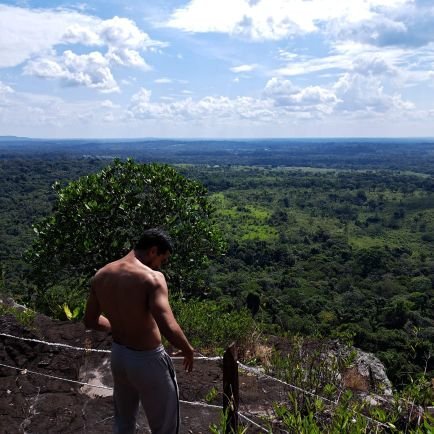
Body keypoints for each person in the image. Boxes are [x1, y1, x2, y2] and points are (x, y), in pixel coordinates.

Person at [84, 228, 194, 434]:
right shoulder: (151, 278)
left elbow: (90, 320)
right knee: (165, 426)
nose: (161, 265)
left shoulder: (102, 274)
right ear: (153, 251)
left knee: (124, 422)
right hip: (147, 359)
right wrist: (188, 349)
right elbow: (168, 325)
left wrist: (117, 325)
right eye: (162, 258)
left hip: (118, 356)